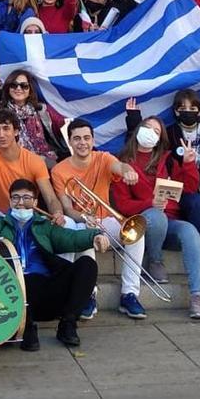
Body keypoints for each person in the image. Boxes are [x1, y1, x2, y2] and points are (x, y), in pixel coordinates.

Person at [0, 179, 109, 352]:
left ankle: (68, 324)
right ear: (10, 201)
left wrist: (95, 236)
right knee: (25, 281)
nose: (20, 202)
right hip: (12, 294)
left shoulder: (45, 226)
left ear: (35, 202)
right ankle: (27, 328)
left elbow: (71, 238)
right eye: (15, 197)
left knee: (87, 264)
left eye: (26, 197)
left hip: (45, 290)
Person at [128, 89, 200, 281]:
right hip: (184, 194)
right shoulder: (170, 133)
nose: (188, 111)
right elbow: (143, 144)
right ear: (176, 111)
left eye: (193, 108)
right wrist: (134, 119)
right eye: (183, 108)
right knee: (199, 202)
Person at [112, 113, 200, 319]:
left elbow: (189, 188)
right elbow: (121, 204)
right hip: (143, 223)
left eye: (157, 131)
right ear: (138, 130)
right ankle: (155, 260)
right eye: (148, 128)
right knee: (156, 216)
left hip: (171, 221)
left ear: (160, 138)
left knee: (190, 231)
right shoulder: (123, 163)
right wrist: (150, 204)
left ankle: (197, 295)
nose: (151, 133)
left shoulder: (168, 160)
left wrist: (189, 163)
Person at [50, 119, 147, 320]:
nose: (82, 143)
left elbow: (119, 166)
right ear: (70, 142)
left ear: (93, 140)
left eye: (86, 138)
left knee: (136, 233)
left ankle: (129, 294)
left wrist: (128, 172)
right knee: (85, 232)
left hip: (107, 221)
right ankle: (89, 294)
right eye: (76, 139)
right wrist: (85, 217)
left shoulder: (103, 158)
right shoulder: (59, 170)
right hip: (80, 223)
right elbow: (67, 207)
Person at [0, 108, 65, 222]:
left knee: (66, 222)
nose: (1, 134)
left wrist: (57, 213)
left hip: (26, 215)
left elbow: (50, 198)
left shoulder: (34, 160)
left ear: (16, 131)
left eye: (6, 129)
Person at [0, 69, 67, 167]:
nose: (19, 89)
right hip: (14, 161)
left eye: (24, 86)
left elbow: (63, 123)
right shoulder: (0, 112)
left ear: (30, 90)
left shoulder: (42, 109)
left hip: (44, 159)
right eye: (14, 85)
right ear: (8, 88)